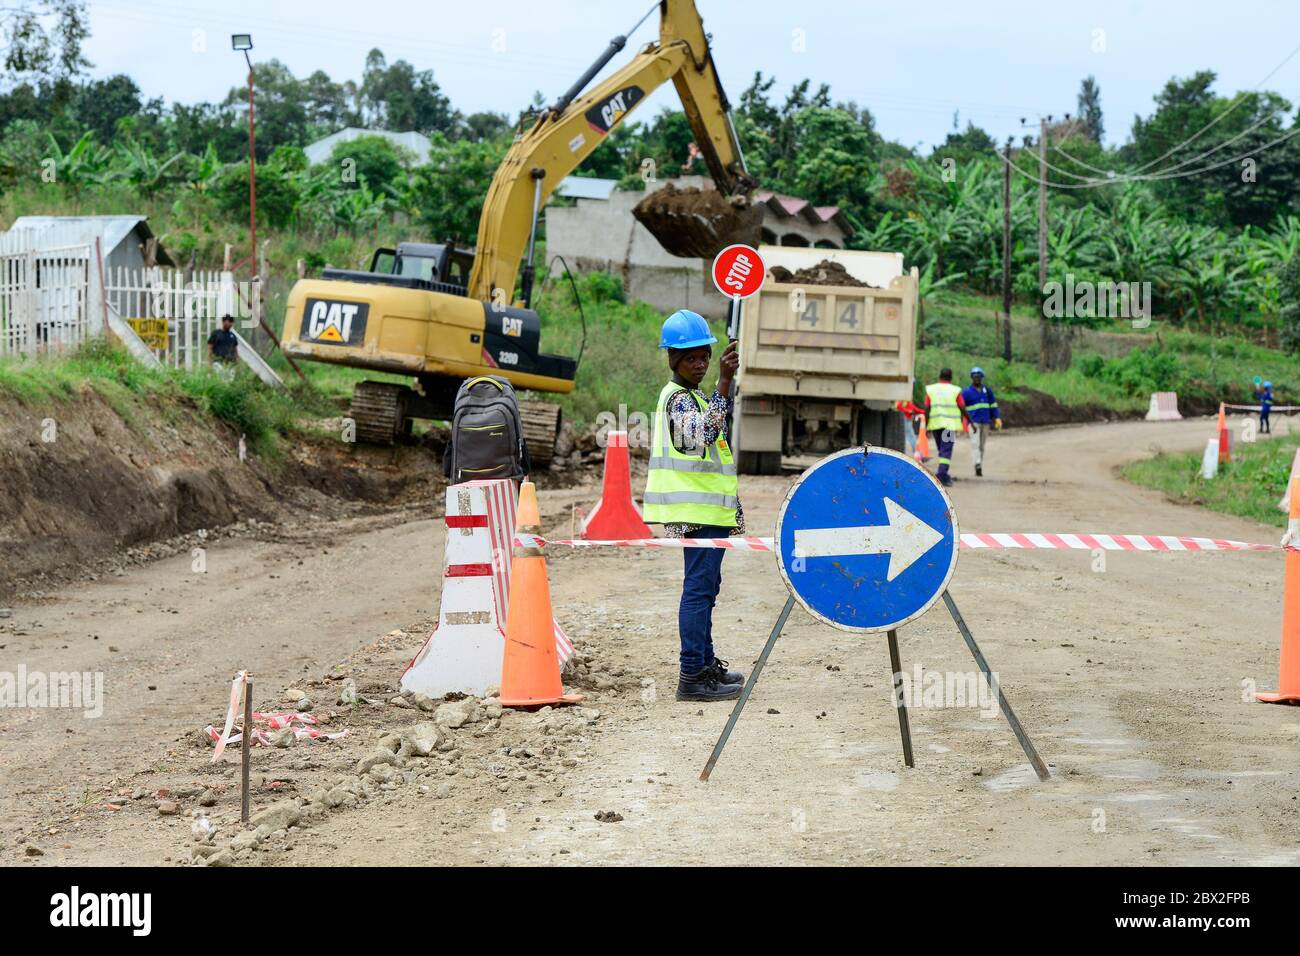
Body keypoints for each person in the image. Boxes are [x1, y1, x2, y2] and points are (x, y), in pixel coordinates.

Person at [642, 309, 746, 702]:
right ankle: (692, 677)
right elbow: (701, 439)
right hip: (697, 513)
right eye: (690, 358)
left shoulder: (692, 397)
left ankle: (706, 665)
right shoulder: (679, 401)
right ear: (672, 359)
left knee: (706, 589)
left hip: (708, 513)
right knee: (699, 592)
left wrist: (720, 386)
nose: (699, 364)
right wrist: (724, 380)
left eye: (704, 356)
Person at [924, 367, 967, 487]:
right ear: (951, 378)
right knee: (946, 451)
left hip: (936, 425)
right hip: (949, 426)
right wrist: (970, 421)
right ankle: (942, 475)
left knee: (942, 450)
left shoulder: (931, 389)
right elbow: (962, 407)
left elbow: (927, 408)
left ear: (939, 376)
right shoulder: (955, 390)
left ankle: (943, 473)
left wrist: (927, 426)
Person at [961, 366, 1002, 477]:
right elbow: (961, 407)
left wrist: (997, 417)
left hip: (986, 422)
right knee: (975, 444)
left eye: (979, 377)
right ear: (972, 378)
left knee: (982, 446)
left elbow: (993, 405)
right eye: (975, 377)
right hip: (973, 422)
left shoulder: (987, 391)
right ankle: (977, 463)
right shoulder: (966, 392)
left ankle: (979, 465)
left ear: (982, 377)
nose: (977, 379)